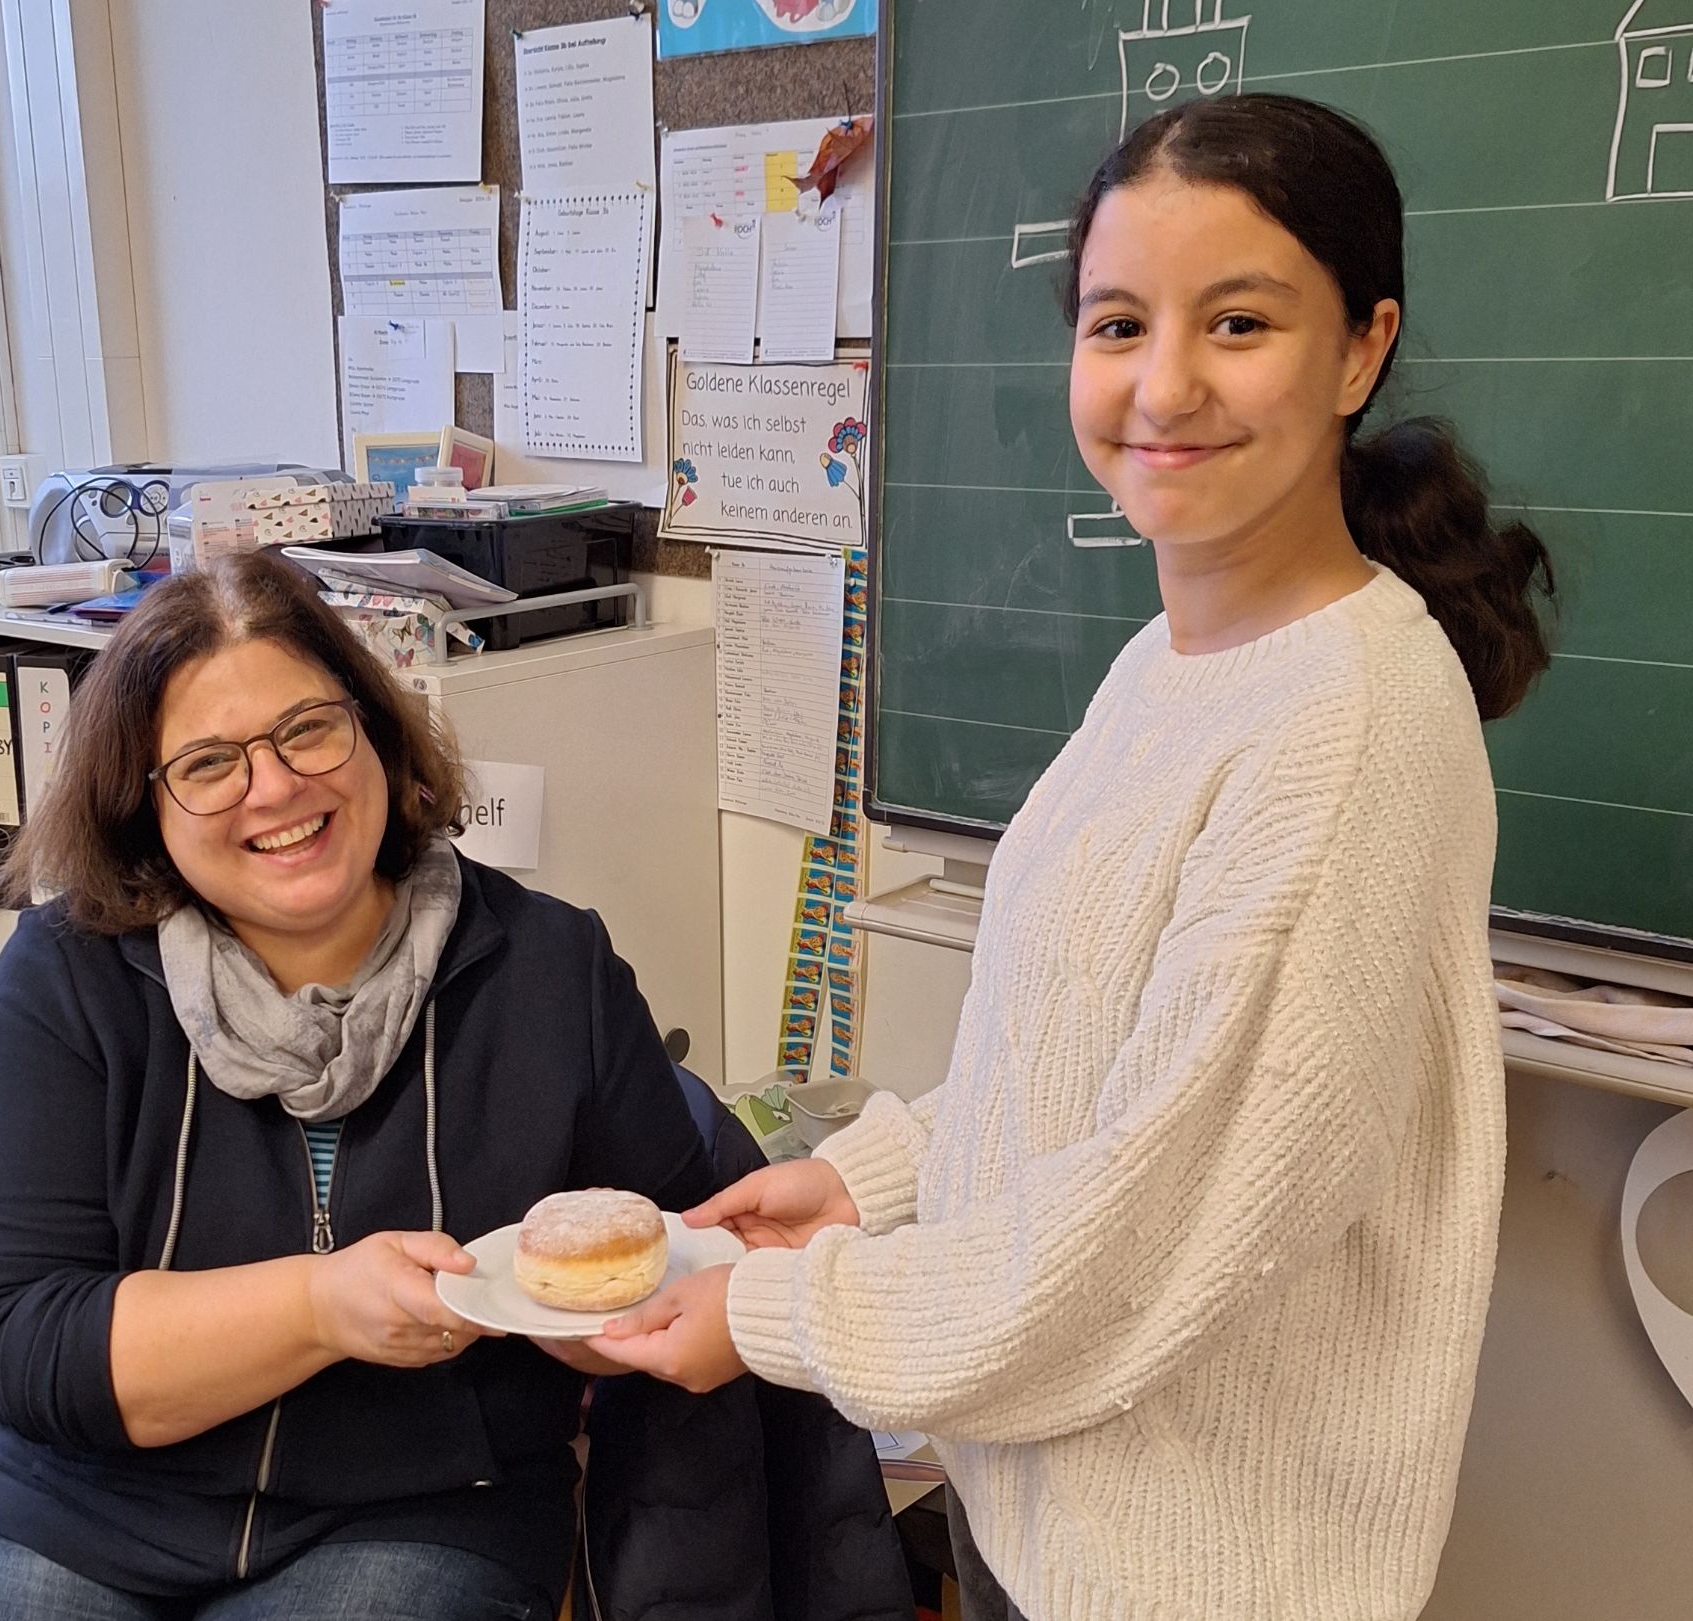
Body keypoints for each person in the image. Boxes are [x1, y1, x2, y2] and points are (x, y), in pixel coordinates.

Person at [594, 92, 1557, 1621]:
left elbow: (1140, 1237)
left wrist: (773, 1310)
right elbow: (1077, 1064)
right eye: (1118, 324)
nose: (1163, 386)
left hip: (1199, 1565)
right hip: (1049, 1508)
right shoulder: (1175, 659)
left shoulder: (1348, 727)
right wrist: (867, 1181)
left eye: (1239, 322)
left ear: (1361, 350)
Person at [0, 551, 721, 1620]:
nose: (278, 785)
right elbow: (8, 1333)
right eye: (208, 763)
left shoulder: (547, 967)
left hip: (421, 1512)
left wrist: (592, 1323)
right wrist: (320, 1305)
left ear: (374, 730)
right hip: (83, 1505)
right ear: (144, 803)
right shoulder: (70, 974)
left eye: (307, 729)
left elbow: (667, 1254)